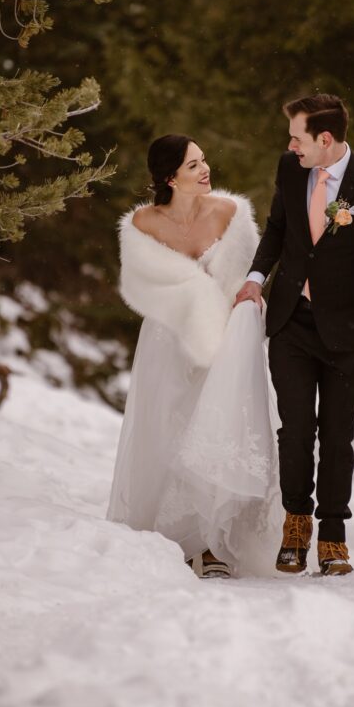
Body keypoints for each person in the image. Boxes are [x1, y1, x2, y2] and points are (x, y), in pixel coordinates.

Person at [235, 94, 354, 576]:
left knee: (336, 436)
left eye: (298, 136)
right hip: (291, 322)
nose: (290, 145)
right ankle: (296, 524)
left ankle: (333, 536)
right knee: (295, 430)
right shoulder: (290, 169)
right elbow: (276, 228)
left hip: (349, 333)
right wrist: (254, 278)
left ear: (324, 139)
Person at [107, 134, 280, 578]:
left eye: (204, 160)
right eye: (193, 166)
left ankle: (212, 541)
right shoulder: (142, 224)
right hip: (167, 341)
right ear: (170, 178)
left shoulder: (231, 213)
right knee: (169, 430)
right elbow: (141, 287)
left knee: (213, 428)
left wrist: (243, 306)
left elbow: (249, 280)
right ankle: (179, 538)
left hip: (223, 341)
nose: (206, 170)